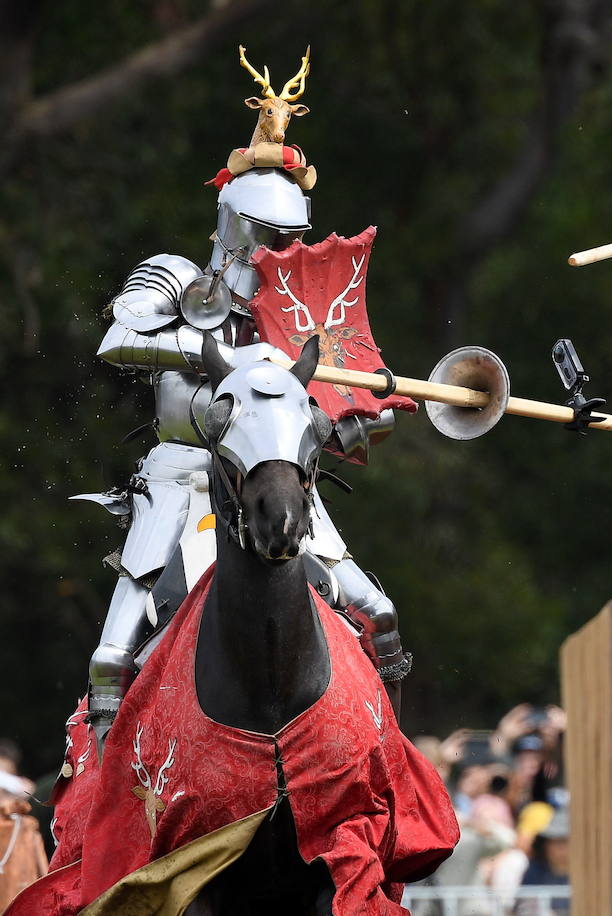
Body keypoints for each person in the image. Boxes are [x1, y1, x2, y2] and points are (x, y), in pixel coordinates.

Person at [75, 46, 412, 747]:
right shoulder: (175, 275)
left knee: (377, 613)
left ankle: (380, 765)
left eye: (292, 238)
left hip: (277, 480)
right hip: (183, 472)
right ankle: (112, 798)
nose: (280, 250)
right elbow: (116, 339)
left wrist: (359, 421)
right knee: (113, 657)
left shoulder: (299, 316)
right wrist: (233, 359)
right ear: (234, 226)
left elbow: (327, 420)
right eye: (269, 236)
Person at [514, 808, 571, 916]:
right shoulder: (534, 871)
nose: (559, 849)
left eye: (564, 842)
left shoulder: (587, 875)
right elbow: (522, 908)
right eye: (553, 842)